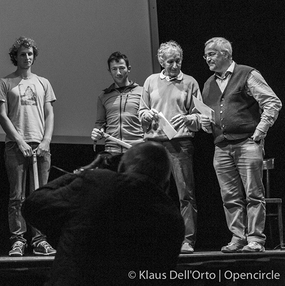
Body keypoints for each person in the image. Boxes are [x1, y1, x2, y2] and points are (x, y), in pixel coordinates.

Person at [22, 141, 185, 286]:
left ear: (121, 167)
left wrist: (84, 172)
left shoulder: (98, 182)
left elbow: (33, 205)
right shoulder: (173, 219)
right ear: (166, 183)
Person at [200, 37, 282, 253]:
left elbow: (272, 102)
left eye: (211, 53)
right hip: (221, 146)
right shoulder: (208, 84)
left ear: (226, 53)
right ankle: (238, 237)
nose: (207, 58)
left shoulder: (247, 74)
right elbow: (210, 118)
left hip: (246, 143)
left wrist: (260, 131)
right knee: (229, 196)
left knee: (254, 194)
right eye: (206, 54)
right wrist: (205, 123)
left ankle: (255, 239)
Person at [0, 36, 56, 256]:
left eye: (30, 54)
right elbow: (2, 116)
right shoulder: (5, 82)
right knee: (17, 196)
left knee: (39, 196)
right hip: (15, 146)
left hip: (41, 146)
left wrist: (46, 141)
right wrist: (19, 141)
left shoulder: (43, 83)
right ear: (16, 57)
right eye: (23, 54)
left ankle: (40, 240)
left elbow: (50, 114)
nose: (27, 58)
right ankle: (18, 240)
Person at [139, 40, 201, 254]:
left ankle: (187, 240)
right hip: (154, 145)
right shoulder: (150, 81)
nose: (175, 66)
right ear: (161, 62)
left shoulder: (190, 82)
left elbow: (200, 116)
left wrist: (189, 118)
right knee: (153, 193)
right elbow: (142, 111)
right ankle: (156, 239)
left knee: (185, 193)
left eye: (178, 61)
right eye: (171, 61)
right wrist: (145, 115)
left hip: (180, 144)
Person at [90, 51, 144, 155]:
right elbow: (100, 124)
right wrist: (97, 132)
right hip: (112, 151)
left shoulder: (142, 92)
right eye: (114, 69)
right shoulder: (103, 96)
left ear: (128, 69)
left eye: (122, 68)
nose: (118, 73)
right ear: (109, 71)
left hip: (136, 150)